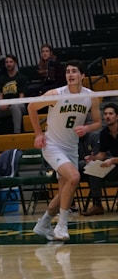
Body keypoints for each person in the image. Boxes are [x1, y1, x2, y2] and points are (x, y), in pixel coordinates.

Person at [29, 60, 102, 241]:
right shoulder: (56, 94)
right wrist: (38, 134)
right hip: (53, 145)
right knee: (75, 177)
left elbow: (98, 122)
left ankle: (43, 223)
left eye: (74, 71)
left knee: (65, 191)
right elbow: (31, 107)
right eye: (68, 71)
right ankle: (62, 225)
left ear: (82, 75)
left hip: (71, 147)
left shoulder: (91, 96)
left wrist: (86, 129)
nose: (70, 74)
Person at [82, 103, 118, 216]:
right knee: (93, 170)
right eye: (105, 114)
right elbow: (102, 155)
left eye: (111, 114)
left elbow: (110, 159)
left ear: (117, 116)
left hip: (115, 162)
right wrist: (92, 158)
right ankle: (97, 205)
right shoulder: (103, 133)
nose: (107, 116)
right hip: (115, 166)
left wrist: (112, 160)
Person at [0, 54, 28, 135]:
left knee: (15, 106)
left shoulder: (21, 78)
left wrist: (9, 103)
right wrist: (1, 103)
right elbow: (0, 96)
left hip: (19, 106)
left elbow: (21, 98)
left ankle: (17, 133)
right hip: (5, 107)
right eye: (7, 62)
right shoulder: (1, 79)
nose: (8, 64)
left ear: (15, 63)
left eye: (11, 62)